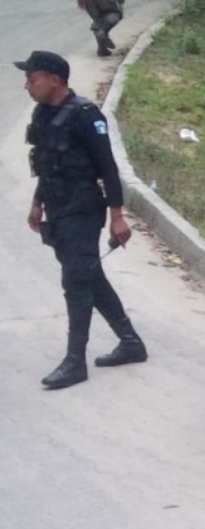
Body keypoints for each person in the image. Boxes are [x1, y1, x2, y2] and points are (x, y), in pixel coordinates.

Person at [16, 50, 147, 390]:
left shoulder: (86, 116)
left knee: (75, 283)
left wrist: (117, 217)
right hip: (58, 208)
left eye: (33, 78)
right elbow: (45, 163)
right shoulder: (43, 114)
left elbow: (108, 168)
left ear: (55, 80)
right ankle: (131, 342)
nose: (27, 85)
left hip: (84, 210)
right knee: (88, 276)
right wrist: (37, 204)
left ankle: (75, 362)